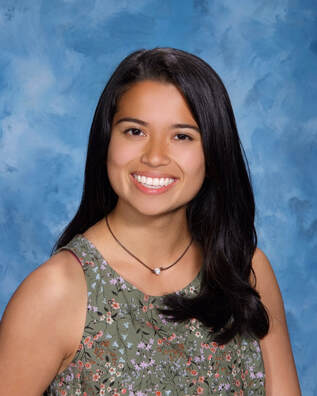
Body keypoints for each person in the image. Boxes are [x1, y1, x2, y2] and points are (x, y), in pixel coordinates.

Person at [0, 48, 301, 395]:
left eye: (182, 136)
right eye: (134, 131)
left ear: (214, 151)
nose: (155, 156)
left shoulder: (245, 270)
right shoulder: (55, 292)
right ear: (107, 140)